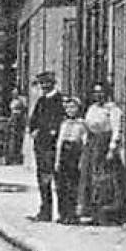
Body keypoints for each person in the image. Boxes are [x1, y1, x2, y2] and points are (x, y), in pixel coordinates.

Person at [78, 83, 125, 225]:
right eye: (95, 92)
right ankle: (91, 212)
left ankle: (105, 215)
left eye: (101, 92)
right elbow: (87, 127)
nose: (98, 95)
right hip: (92, 145)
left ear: (107, 93)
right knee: (89, 178)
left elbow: (116, 130)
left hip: (104, 145)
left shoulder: (113, 110)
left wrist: (112, 149)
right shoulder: (92, 108)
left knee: (104, 180)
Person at [27, 74, 65, 221]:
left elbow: (58, 123)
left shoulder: (59, 101)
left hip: (53, 146)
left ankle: (62, 213)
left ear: (52, 84)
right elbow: (33, 119)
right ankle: (45, 211)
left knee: (56, 179)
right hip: (41, 146)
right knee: (43, 180)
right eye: (41, 84)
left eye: (46, 84)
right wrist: (33, 130)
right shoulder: (41, 100)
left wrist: (49, 133)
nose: (43, 87)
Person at [53, 96, 87, 225]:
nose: (70, 110)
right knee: (61, 186)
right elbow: (59, 143)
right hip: (63, 155)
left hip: (75, 154)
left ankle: (72, 214)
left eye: (73, 107)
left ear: (78, 109)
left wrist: (81, 161)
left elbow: (84, 144)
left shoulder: (81, 124)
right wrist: (57, 161)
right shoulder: (64, 124)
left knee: (72, 186)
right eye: (67, 108)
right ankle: (63, 213)